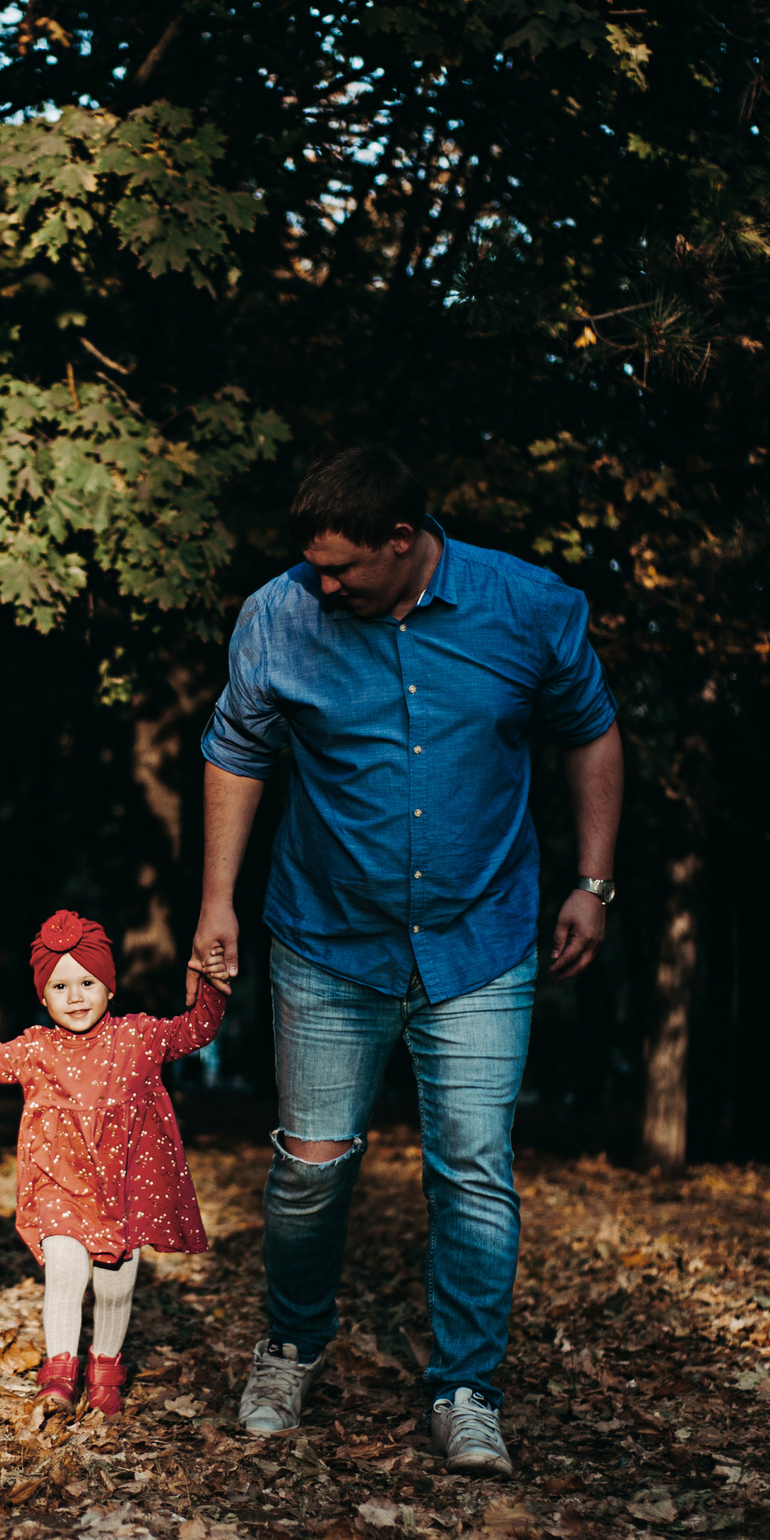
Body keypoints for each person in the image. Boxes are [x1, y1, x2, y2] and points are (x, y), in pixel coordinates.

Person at [195, 445, 623, 1476]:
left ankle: (466, 1386)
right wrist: (216, 900)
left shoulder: (527, 606)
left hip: (480, 939)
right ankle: (292, 1344)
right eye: (313, 566)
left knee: (472, 1170)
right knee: (309, 1170)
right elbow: (236, 750)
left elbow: (592, 735)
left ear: (404, 540)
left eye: (343, 567)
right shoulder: (278, 615)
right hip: (326, 937)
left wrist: (592, 881)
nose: (323, 584)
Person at [0, 911, 226, 1415]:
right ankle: (60, 1370)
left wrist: (213, 984)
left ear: (110, 985)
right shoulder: (36, 1048)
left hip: (125, 1185)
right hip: (60, 1185)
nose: (76, 996)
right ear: (43, 996)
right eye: (60, 986)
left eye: (87, 982)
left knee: (115, 1285)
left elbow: (195, 1031)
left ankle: (106, 1367)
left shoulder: (138, 1038)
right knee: (65, 1271)